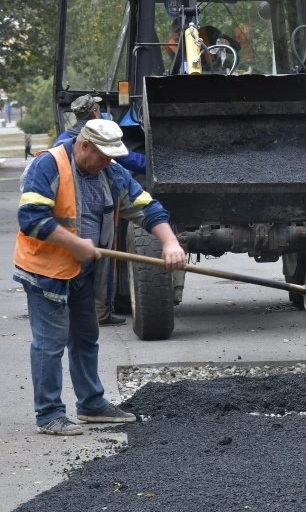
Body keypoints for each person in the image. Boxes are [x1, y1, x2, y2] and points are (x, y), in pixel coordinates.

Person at [14, 119, 187, 436]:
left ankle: (91, 405)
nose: (109, 163)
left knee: (85, 338)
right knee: (50, 344)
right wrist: (76, 244)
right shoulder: (48, 165)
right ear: (84, 147)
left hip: (83, 272)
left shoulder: (109, 171)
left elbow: (145, 206)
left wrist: (169, 242)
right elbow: (31, 219)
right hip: (45, 270)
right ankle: (49, 414)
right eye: (104, 156)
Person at [56, 94, 147, 327]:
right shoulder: (99, 137)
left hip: (72, 214)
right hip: (96, 210)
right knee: (100, 265)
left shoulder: (63, 140)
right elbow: (129, 159)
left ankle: (80, 313)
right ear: (95, 111)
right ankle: (100, 314)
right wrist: (153, 163)